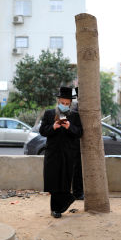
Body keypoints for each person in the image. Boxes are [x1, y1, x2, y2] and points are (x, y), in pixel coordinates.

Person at [40, 86, 83, 218]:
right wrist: (53, 127)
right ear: (58, 101)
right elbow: (42, 131)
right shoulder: (49, 113)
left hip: (68, 155)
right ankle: (56, 208)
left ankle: (57, 209)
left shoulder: (75, 116)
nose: (64, 105)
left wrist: (70, 127)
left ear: (70, 103)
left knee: (64, 182)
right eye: (62, 103)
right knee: (52, 181)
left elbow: (80, 133)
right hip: (52, 154)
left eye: (67, 104)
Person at [72, 87, 84, 200]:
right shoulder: (75, 110)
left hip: (79, 145)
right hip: (75, 145)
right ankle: (77, 192)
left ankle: (79, 191)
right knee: (77, 170)